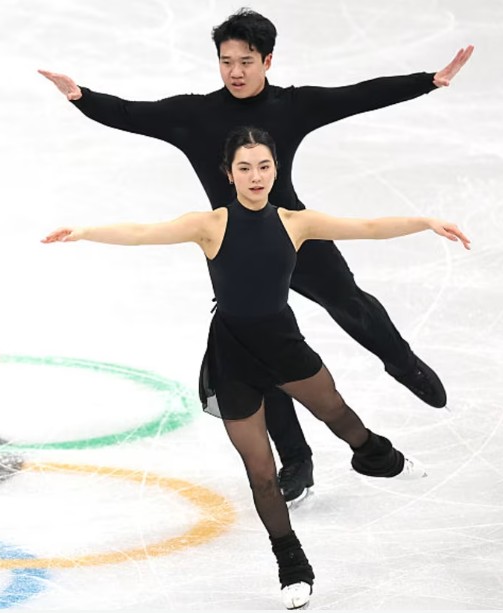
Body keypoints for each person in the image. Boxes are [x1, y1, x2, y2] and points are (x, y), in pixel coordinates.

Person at [39, 8, 474, 505]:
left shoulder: (291, 106)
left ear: (268, 60)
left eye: (246, 60)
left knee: (347, 300)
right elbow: (132, 114)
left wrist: (428, 81)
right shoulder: (195, 114)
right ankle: (297, 461)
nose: (235, 71)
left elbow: (356, 96)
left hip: (293, 233)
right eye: (226, 61)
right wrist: (81, 97)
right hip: (233, 247)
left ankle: (400, 361)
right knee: (258, 351)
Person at [42, 127, 470, 609]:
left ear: (275, 170)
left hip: (283, 344)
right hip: (233, 354)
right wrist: (84, 232)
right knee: (261, 472)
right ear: (229, 173)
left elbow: (368, 227)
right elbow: (143, 234)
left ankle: (376, 456)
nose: (255, 176)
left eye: (263, 166)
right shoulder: (210, 225)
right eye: (244, 168)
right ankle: (292, 563)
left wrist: (427, 222)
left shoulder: (294, 222)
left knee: (337, 413)